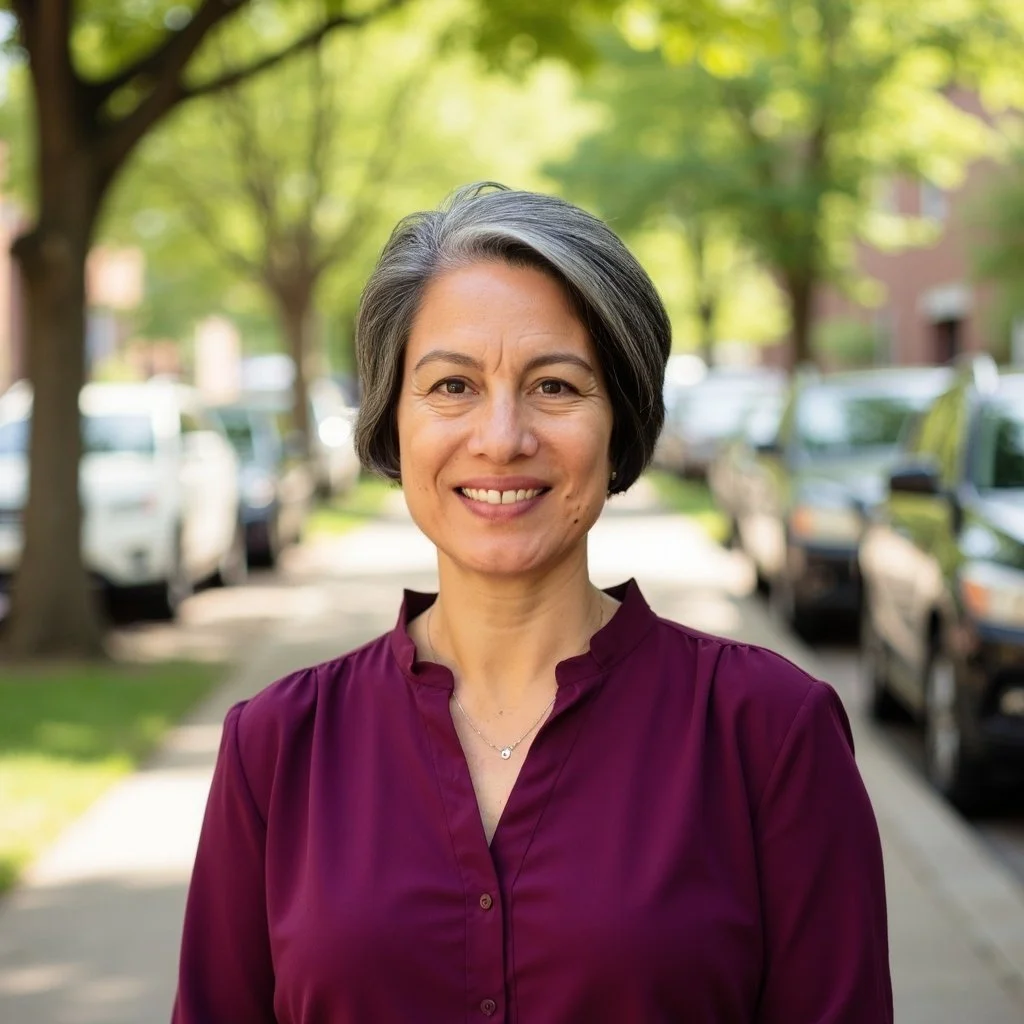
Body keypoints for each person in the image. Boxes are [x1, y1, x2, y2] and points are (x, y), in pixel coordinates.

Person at [172, 183, 892, 1023]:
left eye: (554, 386)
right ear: (390, 422)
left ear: (619, 421)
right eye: (451, 387)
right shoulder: (276, 749)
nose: (502, 436)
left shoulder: (770, 734)